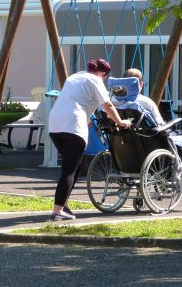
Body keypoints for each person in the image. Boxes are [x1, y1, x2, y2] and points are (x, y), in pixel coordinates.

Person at [48, 58, 132, 221]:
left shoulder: (74, 77)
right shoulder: (96, 80)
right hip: (72, 127)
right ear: (102, 73)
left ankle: (62, 204)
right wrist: (121, 122)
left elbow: (77, 101)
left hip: (55, 126)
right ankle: (57, 212)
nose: (105, 80)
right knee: (69, 170)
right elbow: (108, 105)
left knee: (74, 167)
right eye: (105, 77)